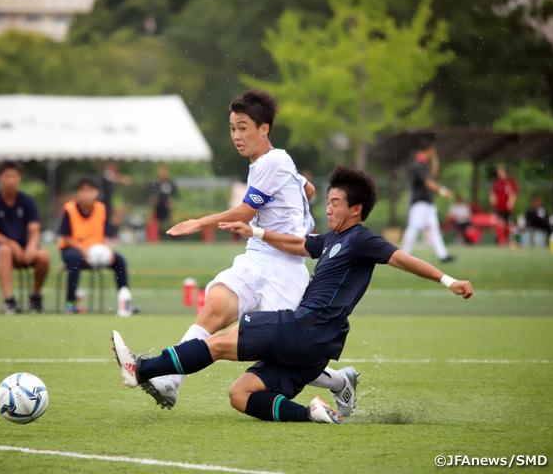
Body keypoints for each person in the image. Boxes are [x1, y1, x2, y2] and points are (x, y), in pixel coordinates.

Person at [111, 166, 473, 424]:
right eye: (327, 201)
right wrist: (255, 232)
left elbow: (402, 259)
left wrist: (448, 280)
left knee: (220, 342)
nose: (327, 208)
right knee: (240, 395)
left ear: (355, 210)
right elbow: (299, 243)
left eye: (334, 203)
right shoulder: (332, 239)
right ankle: (313, 414)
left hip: (306, 327)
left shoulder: (361, 238)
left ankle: (141, 369)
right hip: (315, 347)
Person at [141, 89, 326, 411]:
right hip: (257, 255)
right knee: (214, 306)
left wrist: (199, 222)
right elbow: (307, 188)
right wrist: (296, 213)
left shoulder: (274, 160)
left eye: (243, 127)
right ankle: (172, 381)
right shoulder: (268, 163)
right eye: (232, 128)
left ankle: (339, 381)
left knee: (277, 350)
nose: (236, 136)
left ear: (264, 128)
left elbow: (243, 213)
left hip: (286, 268)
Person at [58, 177, 138, 315]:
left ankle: (124, 303)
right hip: (72, 249)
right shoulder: (69, 209)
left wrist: (109, 250)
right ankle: (70, 303)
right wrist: (83, 251)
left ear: (97, 193)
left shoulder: (101, 209)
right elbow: (66, 237)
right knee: (75, 259)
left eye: (91, 191)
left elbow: (106, 235)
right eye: (83, 191)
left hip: (97, 249)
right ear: (78, 193)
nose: (87, 194)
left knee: (119, 260)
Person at [0, 161, 50, 314]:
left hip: (23, 245)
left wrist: (32, 246)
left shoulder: (27, 201)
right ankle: (9, 300)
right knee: (4, 250)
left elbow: (34, 230)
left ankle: (35, 296)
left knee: (44, 255)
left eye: (14, 176)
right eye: (7, 176)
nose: (11, 180)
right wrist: (12, 244)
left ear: (20, 178)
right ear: (0, 178)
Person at [401, 138, 454, 262]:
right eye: (433, 150)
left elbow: (431, 176)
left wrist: (435, 162)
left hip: (427, 202)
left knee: (434, 229)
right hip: (420, 202)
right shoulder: (417, 164)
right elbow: (428, 182)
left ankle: (443, 256)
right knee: (414, 228)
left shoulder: (423, 164)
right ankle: (403, 255)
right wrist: (442, 191)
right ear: (429, 149)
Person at [489, 165, 518, 247]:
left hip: (508, 209)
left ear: (506, 172)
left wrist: (511, 202)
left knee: (508, 225)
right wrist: (492, 199)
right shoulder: (497, 182)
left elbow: (513, 193)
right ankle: (501, 241)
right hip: (499, 208)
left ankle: (508, 240)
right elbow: (493, 192)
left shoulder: (511, 182)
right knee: (500, 223)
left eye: (501, 172)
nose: (499, 174)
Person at [149, 164, 178, 236]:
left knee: (169, 222)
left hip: (166, 206)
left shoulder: (170, 183)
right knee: (155, 223)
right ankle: (156, 237)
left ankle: (171, 237)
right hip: (157, 207)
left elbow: (176, 195)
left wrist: (172, 202)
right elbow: (149, 194)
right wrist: (152, 199)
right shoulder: (155, 183)